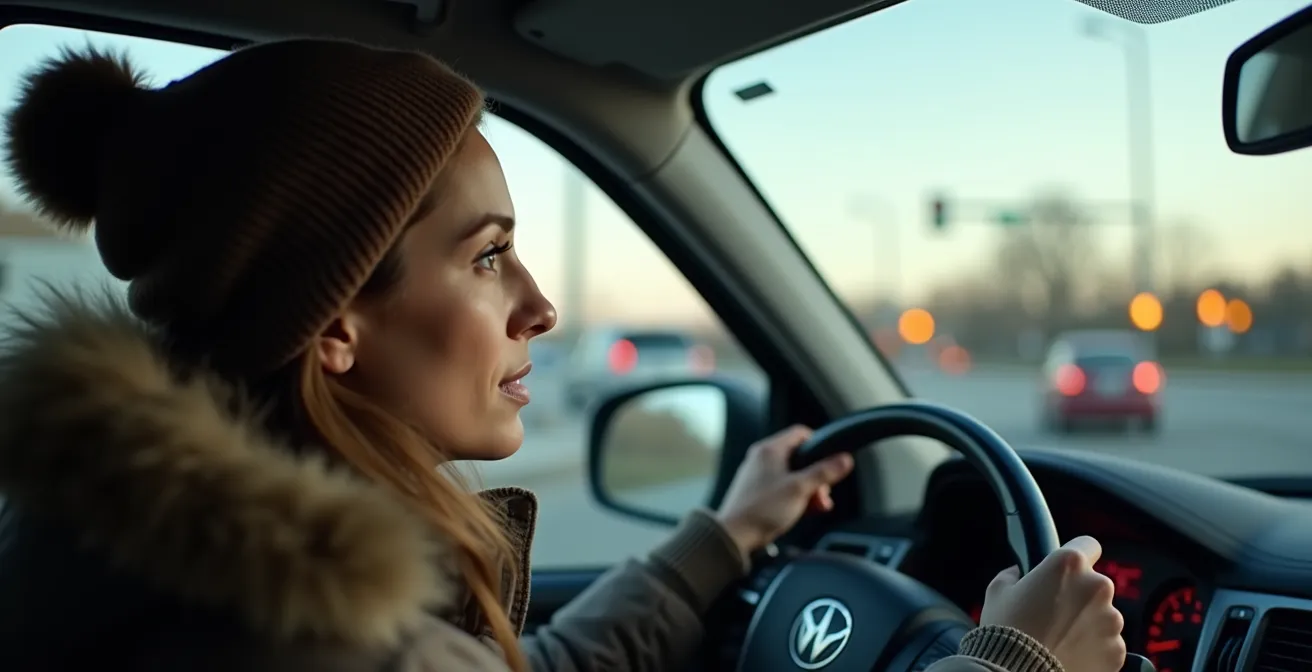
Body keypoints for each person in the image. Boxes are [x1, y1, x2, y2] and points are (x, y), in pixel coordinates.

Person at [0, 39, 1124, 672]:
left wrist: (725, 536)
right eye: (488, 257)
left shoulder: (155, 558)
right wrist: (1013, 661)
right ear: (334, 320)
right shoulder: (316, 641)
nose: (539, 307)